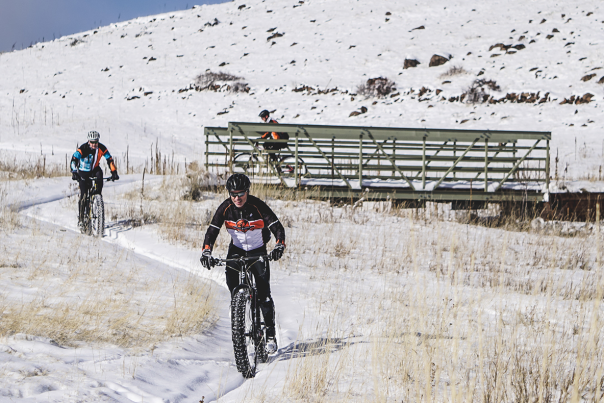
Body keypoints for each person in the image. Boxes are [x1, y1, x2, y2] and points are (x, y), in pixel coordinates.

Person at [200, 173, 285, 354]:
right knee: (232, 281)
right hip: (236, 250)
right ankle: (237, 306)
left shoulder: (258, 206)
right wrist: (206, 251)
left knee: (264, 295)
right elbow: (212, 230)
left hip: (257, 250)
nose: (237, 198)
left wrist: (279, 246)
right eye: (233, 194)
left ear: (247, 191)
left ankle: (270, 334)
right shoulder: (225, 208)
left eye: (241, 194)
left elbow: (277, 228)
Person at [70, 130, 119, 227]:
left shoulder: (101, 148)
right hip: (83, 172)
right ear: (88, 141)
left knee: (99, 177)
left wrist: (114, 172)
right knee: (84, 195)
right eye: (92, 142)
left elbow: (109, 159)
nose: (94, 144)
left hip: (95, 170)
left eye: (96, 142)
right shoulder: (83, 148)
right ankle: (81, 218)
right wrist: (74, 171)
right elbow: (74, 159)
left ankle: (97, 199)